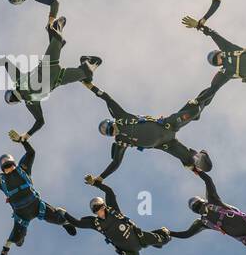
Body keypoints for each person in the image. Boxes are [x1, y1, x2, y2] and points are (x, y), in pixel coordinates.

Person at [0, 15, 101, 140]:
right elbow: (5, 62)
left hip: (57, 77)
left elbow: (40, 122)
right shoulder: (21, 86)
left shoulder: (29, 101)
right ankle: (80, 59)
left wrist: (26, 136)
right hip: (51, 70)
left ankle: (83, 63)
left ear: (17, 101)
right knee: (58, 40)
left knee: (86, 70)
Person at [84, 76, 222, 179]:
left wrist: (90, 86)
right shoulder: (121, 142)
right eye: (107, 133)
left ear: (111, 121)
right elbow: (115, 163)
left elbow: (107, 99)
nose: (110, 131)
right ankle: (198, 157)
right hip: (166, 144)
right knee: (188, 160)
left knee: (195, 109)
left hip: (168, 125)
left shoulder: (122, 118)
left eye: (108, 127)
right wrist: (100, 178)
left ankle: (217, 84)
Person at [0, 140, 78, 247]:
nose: (9, 168)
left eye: (10, 165)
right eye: (6, 167)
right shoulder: (0, 179)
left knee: (60, 219)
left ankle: (65, 222)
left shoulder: (23, 169)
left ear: (14, 164)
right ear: (3, 170)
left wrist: (23, 141)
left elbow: (31, 153)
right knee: (16, 240)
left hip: (37, 206)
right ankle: (21, 238)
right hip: (21, 215)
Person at [76, 176, 172, 255]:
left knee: (165, 239)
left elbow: (109, 192)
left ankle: (160, 235)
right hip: (128, 251)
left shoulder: (113, 209)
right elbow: (78, 223)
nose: (99, 210)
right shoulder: (96, 223)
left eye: (99, 206)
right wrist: (63, 214)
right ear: (94, 212)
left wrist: (95, 183)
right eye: (95, 209)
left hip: (138, 237)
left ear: (104, 205)